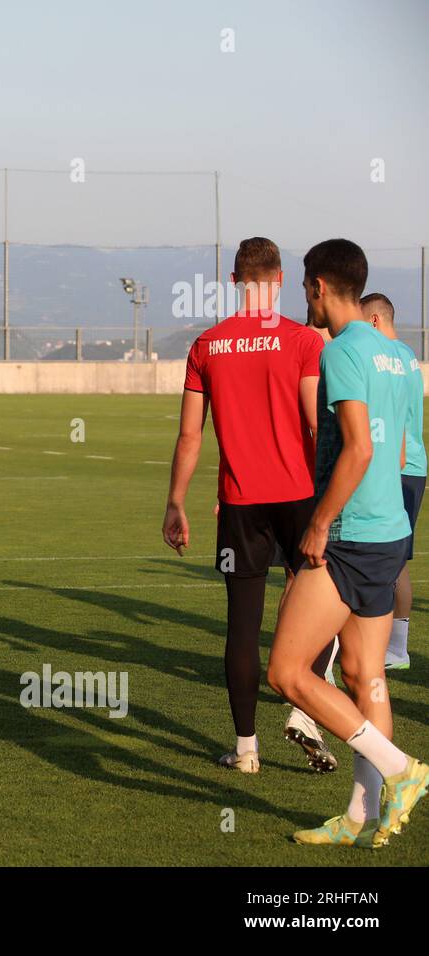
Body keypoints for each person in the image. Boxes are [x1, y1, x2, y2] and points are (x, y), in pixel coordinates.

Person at [267, 238, 427, 847]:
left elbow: (358, 446)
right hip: (390, 531)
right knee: (366, 676)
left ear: (318, 286)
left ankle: (401, 770)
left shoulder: (340, 352)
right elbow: (403, 444)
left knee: (287, 671)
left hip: (351, 535)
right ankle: (362, 819)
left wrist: (319, 522)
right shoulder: (395, 354)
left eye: (303, 287)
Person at [163, 237, 338, 773]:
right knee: (324, 610)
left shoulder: (206, 346)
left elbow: (190, 437)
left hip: (240, 502)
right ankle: (303, 705)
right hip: (301, 496)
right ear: (280, 279)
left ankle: (245, 750)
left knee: (242, 625)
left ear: (236, 281)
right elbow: (316, 422)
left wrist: (175, 502)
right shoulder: (303, 341)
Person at [363, 292, 424, 670]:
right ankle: (394, 647)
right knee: (396, 559)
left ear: (373, 321)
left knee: (388, 559)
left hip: (396, 465)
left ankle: (392, 648)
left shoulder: (385, 357)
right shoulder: (408, 357)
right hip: (411, 465)